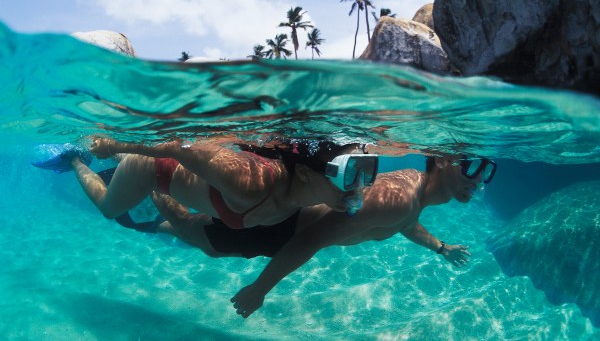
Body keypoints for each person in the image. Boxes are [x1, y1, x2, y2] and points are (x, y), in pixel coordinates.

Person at [146, 154, 496, 317]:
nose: (478, 178)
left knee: (208, 244)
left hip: (282, 232)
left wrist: (441, 247)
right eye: (473, 166)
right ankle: (147, 181)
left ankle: (154, 217)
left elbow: (406, 224)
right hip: (280, 231)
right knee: (194, 233)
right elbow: (310, 239)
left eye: (486, 170)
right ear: (444, 159)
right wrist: (259, 290)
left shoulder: (411, 196)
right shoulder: (401, 198)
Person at [48, 137, 378, 228]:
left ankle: (120, 162)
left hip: (180, 177)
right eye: (351, 172)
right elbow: (177, 149)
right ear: (305, 173)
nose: (359, 188)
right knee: (109, 209)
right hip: (155, 167)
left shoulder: (312, 195)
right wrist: (116, 144)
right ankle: (75, 159)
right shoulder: (253, 183)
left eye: (367, 170)